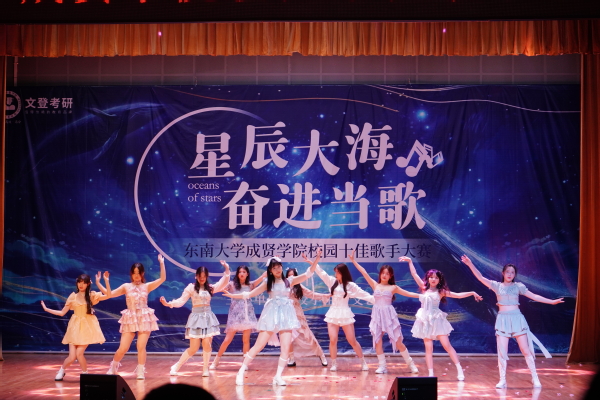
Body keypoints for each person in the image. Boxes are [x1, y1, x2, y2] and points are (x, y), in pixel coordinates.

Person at [461, 255, 564, 388]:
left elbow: (534, 296)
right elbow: (480, 277)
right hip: (502, 320)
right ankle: (502, 380)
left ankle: (535, 378)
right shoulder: (497, 286)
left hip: (517, 319)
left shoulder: (518, 286)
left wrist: (552, 302)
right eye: (507, 272)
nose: (510, 274)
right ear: (503, 273)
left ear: (515, 275)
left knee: (525, 350)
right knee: (502, 352)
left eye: (512, 272)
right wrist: (470, 264)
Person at [222, 251, 321, 386]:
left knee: (285, 348)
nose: (278, 269)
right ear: (270, 270)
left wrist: (317, 258)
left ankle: (278, 377)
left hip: (286, 316)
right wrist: (233, 296)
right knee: (259, 345)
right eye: (274, 268)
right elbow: (249, 294)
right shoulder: (267, 282)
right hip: (271, 315)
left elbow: (309, 273)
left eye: (279, 266)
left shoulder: (289, 281)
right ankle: (241, 371)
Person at [401, 256, 482, 381]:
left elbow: (457, 295)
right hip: (425, 320)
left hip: (437, 319)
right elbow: (414, 274)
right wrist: (410, 261)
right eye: (431, 277)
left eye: (436, 277)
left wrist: (472, 293)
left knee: (447, 345)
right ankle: (430, 374)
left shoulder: (441, 291)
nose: (433, 279)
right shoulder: (423, 288)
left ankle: (460, 370)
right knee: (428, 348)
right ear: (428, 278)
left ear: (439, 280)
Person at [349, 251, 419, 374]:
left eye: (387, 273)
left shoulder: (394, 287)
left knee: (398, 342)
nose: (384, 275)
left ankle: (411, 364)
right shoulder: (375, 285)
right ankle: (382, 366)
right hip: (377, 315)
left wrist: (424, 296)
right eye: (383, 273)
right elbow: (364, 272)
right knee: (377, 341)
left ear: (391, 276)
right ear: (380, 274)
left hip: (389, 315)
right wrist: (353, 261)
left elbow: (409, 294)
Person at [101, 254, 166, 379]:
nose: (136, 275)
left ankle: (140, 370)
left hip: (144, 317)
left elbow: (162, 278)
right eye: (134, 273)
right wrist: (106, 281)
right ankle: (113, 366)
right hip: (130, 318)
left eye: (138, 273)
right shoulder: (126, 286)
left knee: (141, 346)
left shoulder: (146, 286)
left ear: (142, 274)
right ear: (131, 274)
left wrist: (161, 263)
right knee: (123, 348)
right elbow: (110, 294)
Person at [160, 261, 230, 377]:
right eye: (200, 276)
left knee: (207, 344)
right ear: (196, 276)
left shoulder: (210, 288)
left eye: (204, 276)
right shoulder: (191, 288)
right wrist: (168, 304)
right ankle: (176, 366)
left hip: (208, 318)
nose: (202, 278)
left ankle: (205, 369)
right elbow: (181, 301)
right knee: (193, 348)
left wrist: (227, 269)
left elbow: (223, 283)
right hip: (196, 319)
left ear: (206, 277)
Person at [308, 254, 375, 372]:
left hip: (345, 314)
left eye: (338, 272)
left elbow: (364, 294)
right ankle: (334, 363)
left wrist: (377, 301)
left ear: (343, 273)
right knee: (333, 339)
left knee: (352, 340)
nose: (336, 274)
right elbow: (321, 273)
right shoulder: (332, 281)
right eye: (335, 272)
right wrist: (311, 262)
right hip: (333, 313)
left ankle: (363, 362)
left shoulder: (350, 285)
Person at [41, 271, 111, 381]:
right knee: (72, 357)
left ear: (88, 284)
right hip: (74, 328)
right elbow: (62, 313)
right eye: (79, 282)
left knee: (79, 353)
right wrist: (46, 309)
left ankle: (85, 374)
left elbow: (108, 295)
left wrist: (102, 281)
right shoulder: (73, 297)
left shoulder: (91, 295)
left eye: (83, 282)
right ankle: (62, 370)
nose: (81, 285)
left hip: (87, 327)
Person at [210, 266, 266, 370]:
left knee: (246, 340)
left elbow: (262, 277)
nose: (242, 274)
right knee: (227, 339)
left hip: (247, 315)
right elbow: (220, 287)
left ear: (247, 274)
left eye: (244, 272)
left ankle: (245, 363)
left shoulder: (250, 285)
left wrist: (268, 270)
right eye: (240, 272)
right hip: (235, 316)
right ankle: (216, 361)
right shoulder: (232, 285)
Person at [285, 267, 330, 367]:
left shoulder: (298, 286)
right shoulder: (283, 285)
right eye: (289, 275)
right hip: (286, 313)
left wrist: (325, 296)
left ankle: (321, 354)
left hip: (297, 313)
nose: (291, 277)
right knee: (288, 337)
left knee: (307, 335)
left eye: (293, 275)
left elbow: (311, 294)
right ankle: (291, 358)